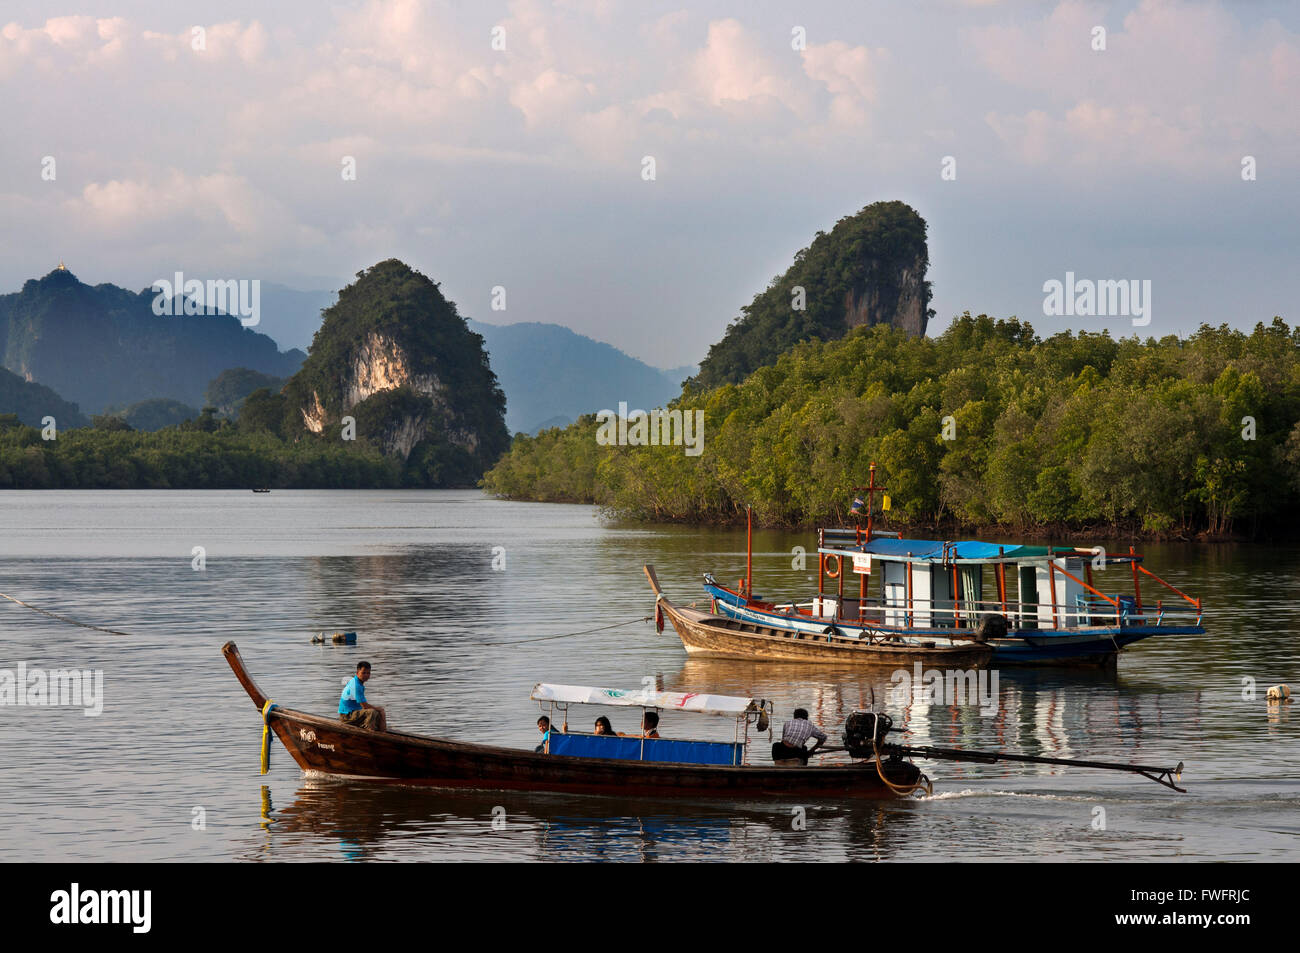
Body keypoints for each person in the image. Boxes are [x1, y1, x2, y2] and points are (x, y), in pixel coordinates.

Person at [338, 661, 386, 731]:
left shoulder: (357, 682)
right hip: (346, 716)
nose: (366, 675)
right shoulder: (356, 685)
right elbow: (365, 706)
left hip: (353, 712)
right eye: (363, 673)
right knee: (372, 712)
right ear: (357, 673)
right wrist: (380, 710)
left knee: (377, 713)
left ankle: (381, 732)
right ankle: (369, 731)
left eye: (368, 673)